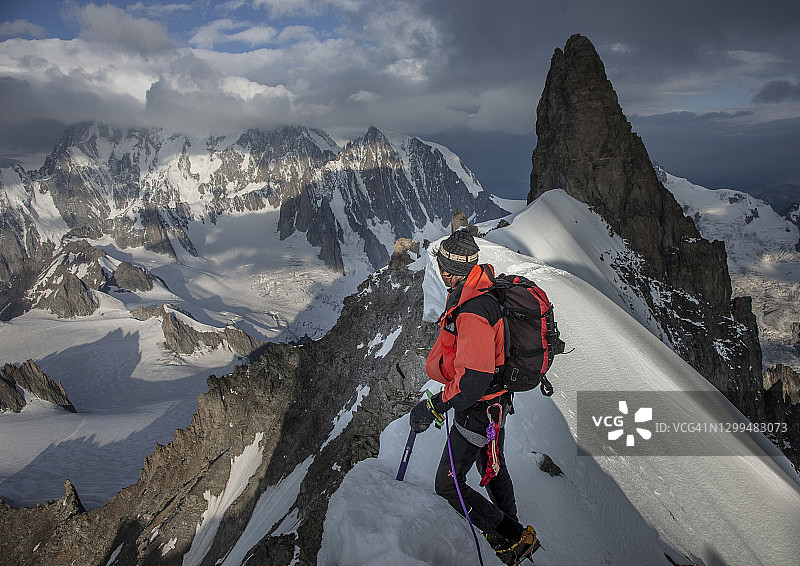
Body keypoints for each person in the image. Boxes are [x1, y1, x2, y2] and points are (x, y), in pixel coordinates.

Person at [409, 230, 540, 565]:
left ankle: (512, 537)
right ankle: (511, 532)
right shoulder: (478, 292)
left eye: (441, 267)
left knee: (448, 485)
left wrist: (435, 405)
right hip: (494, 405)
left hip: (478, 410)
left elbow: (473, 379)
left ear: (450, 271)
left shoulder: (474, 311)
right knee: (492, 467)